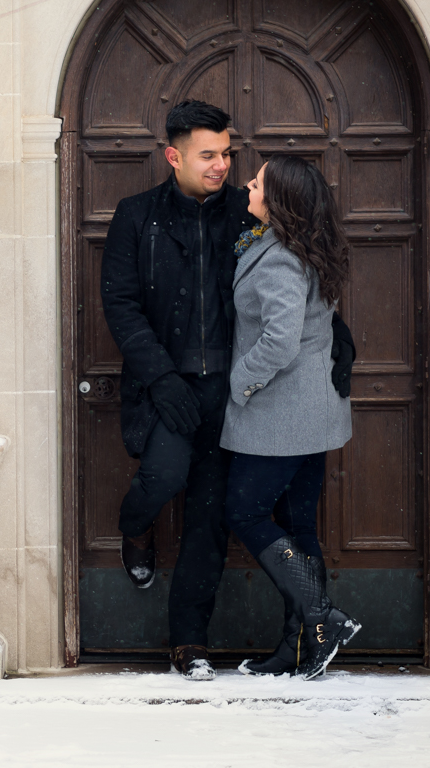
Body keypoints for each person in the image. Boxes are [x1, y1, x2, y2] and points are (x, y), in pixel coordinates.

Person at [100, 100, 255, 681]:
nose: (222, 165)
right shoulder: (136, 215)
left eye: (226, 154)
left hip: (234, 391)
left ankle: (189, 641)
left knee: (209, 516)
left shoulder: (246, 211)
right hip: (165, 383)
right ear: (174, 156)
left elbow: (291, 275)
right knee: (162, 478)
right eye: (208, 154)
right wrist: (162, 377)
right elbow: (120, 301)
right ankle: (134, 526)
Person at [222, 155, 360, 681]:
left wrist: (239, 383)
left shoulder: (281, 258)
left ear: (278, 202)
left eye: (256, 183)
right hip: (311, 413)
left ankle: (322, 617)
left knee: (245, 512)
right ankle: (304, 645)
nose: (247, 187)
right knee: (299, 526)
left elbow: (278, 341)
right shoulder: (302, 247)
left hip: (280, 416)